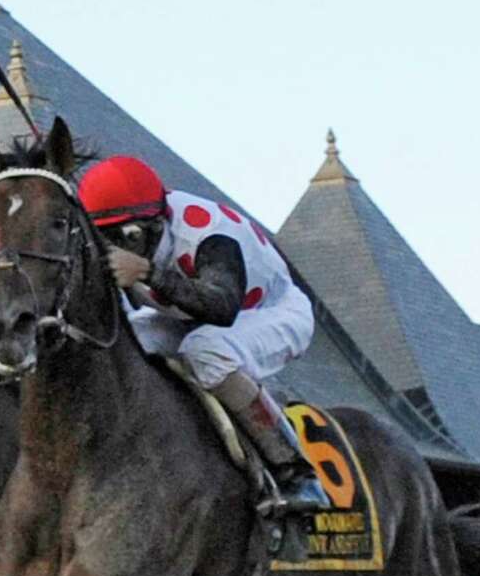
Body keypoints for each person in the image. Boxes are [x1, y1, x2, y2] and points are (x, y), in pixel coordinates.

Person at [76, 155, 329, 512]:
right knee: (126, 338)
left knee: (204, 347)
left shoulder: (209, 235)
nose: (119, 247)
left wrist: (147, 271)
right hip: (188, 312)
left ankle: (296, 472)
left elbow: (222, 308)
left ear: (155, 221)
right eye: (107, 238)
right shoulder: (144, 219)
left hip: (269, 312)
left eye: (128, 236)